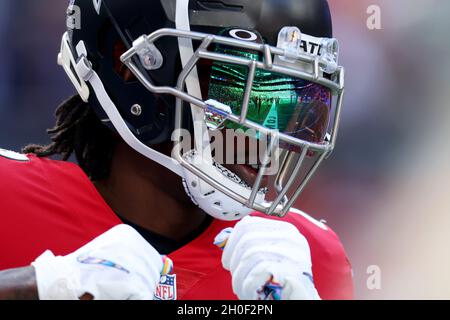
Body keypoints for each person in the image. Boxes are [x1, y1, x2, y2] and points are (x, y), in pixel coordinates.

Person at [0, 0, 353, 300]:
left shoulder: (301, 261)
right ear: (129, 68)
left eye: (299, 103)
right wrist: (41, 287)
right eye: (247, 94)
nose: (271, 136)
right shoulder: (8, 199)